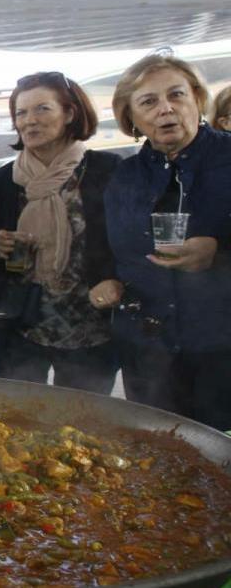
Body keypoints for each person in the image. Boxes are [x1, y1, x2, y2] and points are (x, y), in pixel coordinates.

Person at [105, 54, 231, 430]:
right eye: (148, 102)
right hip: (148, 351)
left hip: (222, 349)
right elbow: (107, 250)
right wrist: (104, 278)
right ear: (131, 118)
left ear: (196, 98)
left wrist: (219, 253)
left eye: (176, 95)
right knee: (156, 455)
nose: (166, 109)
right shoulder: (123, 176)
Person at [0, 72, 121, 394]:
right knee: (19, 419)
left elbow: (126, 242)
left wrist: (114, 279)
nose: (29, 121)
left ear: (69, 113)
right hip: (22, 325)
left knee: (83, 425)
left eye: (42, 109)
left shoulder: (106, 170)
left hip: (90, 327)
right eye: (21, 113)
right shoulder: (5, 180)